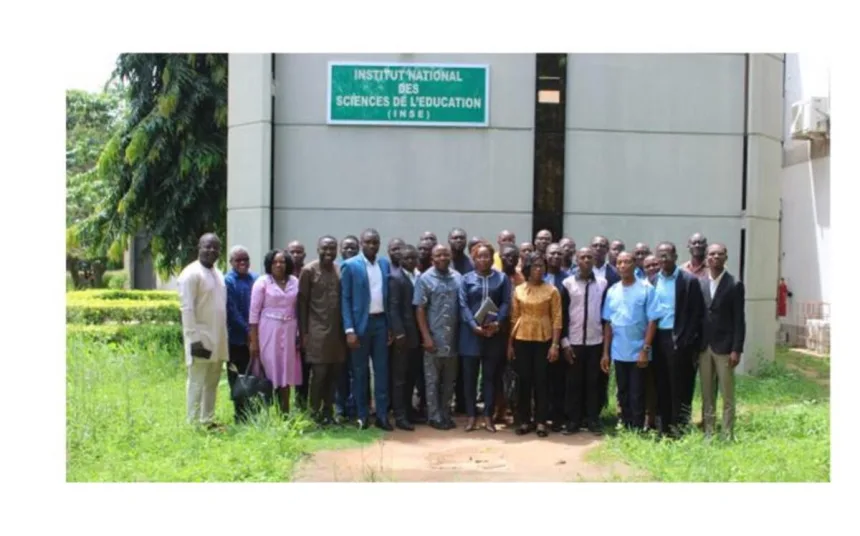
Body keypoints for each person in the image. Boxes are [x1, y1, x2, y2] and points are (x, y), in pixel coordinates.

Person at [600, 252, 660, 431]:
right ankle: (625, 424)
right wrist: (605, 353)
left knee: (637, 391)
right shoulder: (612, 291)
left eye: (627, 262)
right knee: (623, 391)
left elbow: (653, 320)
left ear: (635, 265)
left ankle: (637, 426)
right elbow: (608, 324)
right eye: (620, 262)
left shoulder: (646, 288)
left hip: (639, 351)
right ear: (616, 266)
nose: (623, 265)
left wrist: (645, 348)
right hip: (619, 351)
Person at [340, 229, 393, 431]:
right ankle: (362, 415)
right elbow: (344, 299)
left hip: (381, 323)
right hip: (360, 325)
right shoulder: (350, 265)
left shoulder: (384, 264)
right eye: (368, 242)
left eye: (375, 242)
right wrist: (349, 329)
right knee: (360, 372)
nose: (372, 246)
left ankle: (381, 416)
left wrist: (389, 326)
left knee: (382, 372)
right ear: (361, 243)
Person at [650, 242, 705, 437]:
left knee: (680, 384)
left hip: (679, 338)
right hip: (658, 338)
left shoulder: (688, 281)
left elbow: (697, 314)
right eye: (660, 256)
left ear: (675, 256)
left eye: (667, 255)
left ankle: (679, 425)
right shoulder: (653, 280)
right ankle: (663, 426)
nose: (663, 260)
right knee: (661, 382)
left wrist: (686, 340)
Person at [178, 233, 229, 429]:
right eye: (207, 247)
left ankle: (207, 420)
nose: (211, 251)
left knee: (212, 380)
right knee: (197, 381)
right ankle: (192, 423)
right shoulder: (191, 274)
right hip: (200, 338)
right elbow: (187, 308)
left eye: (215, 248)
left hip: (218, 337)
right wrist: (194, 339)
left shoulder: (218, 273)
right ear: (199, 247)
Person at [508, 252, 562, 437]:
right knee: (524, 380)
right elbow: (514, 318)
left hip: (544, 339)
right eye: (535, 266)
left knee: (542, 381)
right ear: (527, 269)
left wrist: (555, 345)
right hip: (522, 338)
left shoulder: (552, 290)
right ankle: (524, 420)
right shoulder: (518, 290)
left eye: (542, 266)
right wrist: (510, 345)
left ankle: (540, 421)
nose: (539, 269)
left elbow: (557, 318)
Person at [458, 243, 511, 432]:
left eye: (487, 256)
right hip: (471, 335)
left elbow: (506, 302)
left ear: (492, 258)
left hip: (493, 335)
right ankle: (472, 416)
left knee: (490, 378)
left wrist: (498, 323)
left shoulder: (502, 278)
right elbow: (463, 305)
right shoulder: (466, 279)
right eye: (479, 257)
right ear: (474, 259)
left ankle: (488, 416)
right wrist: (473, 325)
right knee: (470, 378)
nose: (483, 260)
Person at [298, 236, 347, 425]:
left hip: (337, 332)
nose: (328, 252)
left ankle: (328, 412)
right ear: (317, 249)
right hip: (316, 331)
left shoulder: (339, 270)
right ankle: (314, 413)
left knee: (334, 374)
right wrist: (304, 333)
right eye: (325, 249)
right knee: (319, 374)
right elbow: (302, 304)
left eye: (332, 249)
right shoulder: (308, 271)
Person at [699, 243, 745, 440]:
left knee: (727, 394)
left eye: (720, 254)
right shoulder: (699, 283)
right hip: (704, 347)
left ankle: (727, 433)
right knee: (707, 393)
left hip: (725, 348)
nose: (715, 257)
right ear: (706, 258)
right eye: (711, 254)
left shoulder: (734, 285)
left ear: (726, 258)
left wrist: (737, 349)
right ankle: (709, 431)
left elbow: (739, 320)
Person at [414, 244, 463, 431]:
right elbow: (419, 309)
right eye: (438, 255)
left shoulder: (457, 278)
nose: (442, 258)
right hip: (434, 339)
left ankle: (445, 413)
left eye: (445, 254)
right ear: (432, 258)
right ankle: (434, 416)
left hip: (453, 339)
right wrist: (426, 337)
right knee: (432, 380)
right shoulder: (425, 279)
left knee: (449, 380)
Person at [560, 247, 608, 435]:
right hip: (574, 342)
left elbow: (606, 316)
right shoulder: (567, 283)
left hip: (595, 342)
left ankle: (593, 420)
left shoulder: (603, 284)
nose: (586, 260)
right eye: (582, 257)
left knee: (593, 383)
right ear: (576, 260)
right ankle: (573, 421)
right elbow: (562, 315)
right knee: (573, 383)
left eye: (589, 257)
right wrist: (564, 343)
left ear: (594, 260)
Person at [249, 249, 302, 415]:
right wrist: (254, 341)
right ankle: (265, 413)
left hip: (290, 330)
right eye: (275, 262)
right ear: (269, 264)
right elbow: (253, 313)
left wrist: (299, 333)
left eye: (282, 262)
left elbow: (298, 308)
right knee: (270, 369)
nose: (279, 265)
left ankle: (285, 412)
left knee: (286, 370)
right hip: (268, 331)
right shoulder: (263, 282)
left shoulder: (294, 281)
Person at [387, 244, 423, 430]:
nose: (410, 261)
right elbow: (393, 308)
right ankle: (400, 415)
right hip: (403, 335)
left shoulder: (418, 276)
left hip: (417, 335)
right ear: (400, 261)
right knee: (400, 377)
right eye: (406, 258)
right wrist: (399, 332)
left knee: (412, 375)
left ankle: (409, 411)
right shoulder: (396, 278)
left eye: (413, 258)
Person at [224, 245, 258, 423]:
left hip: (254, 340)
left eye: (246, 259)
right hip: (235, 340)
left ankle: (252, 412)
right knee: (236, 377)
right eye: (238, 260)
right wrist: (248, 331)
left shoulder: (256, 279)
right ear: (231, 262)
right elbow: (232, 311)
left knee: (252, 375)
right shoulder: (228, 281)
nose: (243, 263)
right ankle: (239, 414)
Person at [496, 243, 523, 422]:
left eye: (514, 256)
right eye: (506, 256)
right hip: (498, 331)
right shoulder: (495, 277)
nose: (510, 259)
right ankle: (499, 410)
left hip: (518, 331)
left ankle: (517, 410)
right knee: (498, 373)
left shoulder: (521, 278)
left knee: (517, 373)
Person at [544, 243, 570, 431]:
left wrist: (563, 339)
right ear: (545, 255)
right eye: (551, 253)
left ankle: (558, 416)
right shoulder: (538, 277)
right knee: (541, 378)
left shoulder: (568, 280)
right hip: (538, 335)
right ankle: (542, 415)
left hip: (560, 335)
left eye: (558, 253)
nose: (555, 256)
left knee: (559, 378)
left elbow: (569, 313)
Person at [448, 227, 473, 415]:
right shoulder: (443, 260)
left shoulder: (470, 264)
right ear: (449, 240)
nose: (458, 240)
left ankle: (463, 404)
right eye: (454, 237)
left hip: (465, 323)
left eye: (461, 238)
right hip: (445, 322)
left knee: (464, 365)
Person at [334, 235, 360, 421]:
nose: (349, 250)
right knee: (339, 372)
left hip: (357, 330)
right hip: (336, 331)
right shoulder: (335, 269)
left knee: (356, 370)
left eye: (353, 247)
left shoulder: (361, 269)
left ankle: (354, 408)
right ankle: (339, 408)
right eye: (346, 247)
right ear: (340, 250)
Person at [288, 240, 311, 410]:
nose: (296, 255)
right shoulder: (281, 275)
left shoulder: (309, 273)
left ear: (304, 255)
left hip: (306, 329)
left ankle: (301, 405)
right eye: (292, 252)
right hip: (285, 329)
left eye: (299, 252)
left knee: (304, 368)